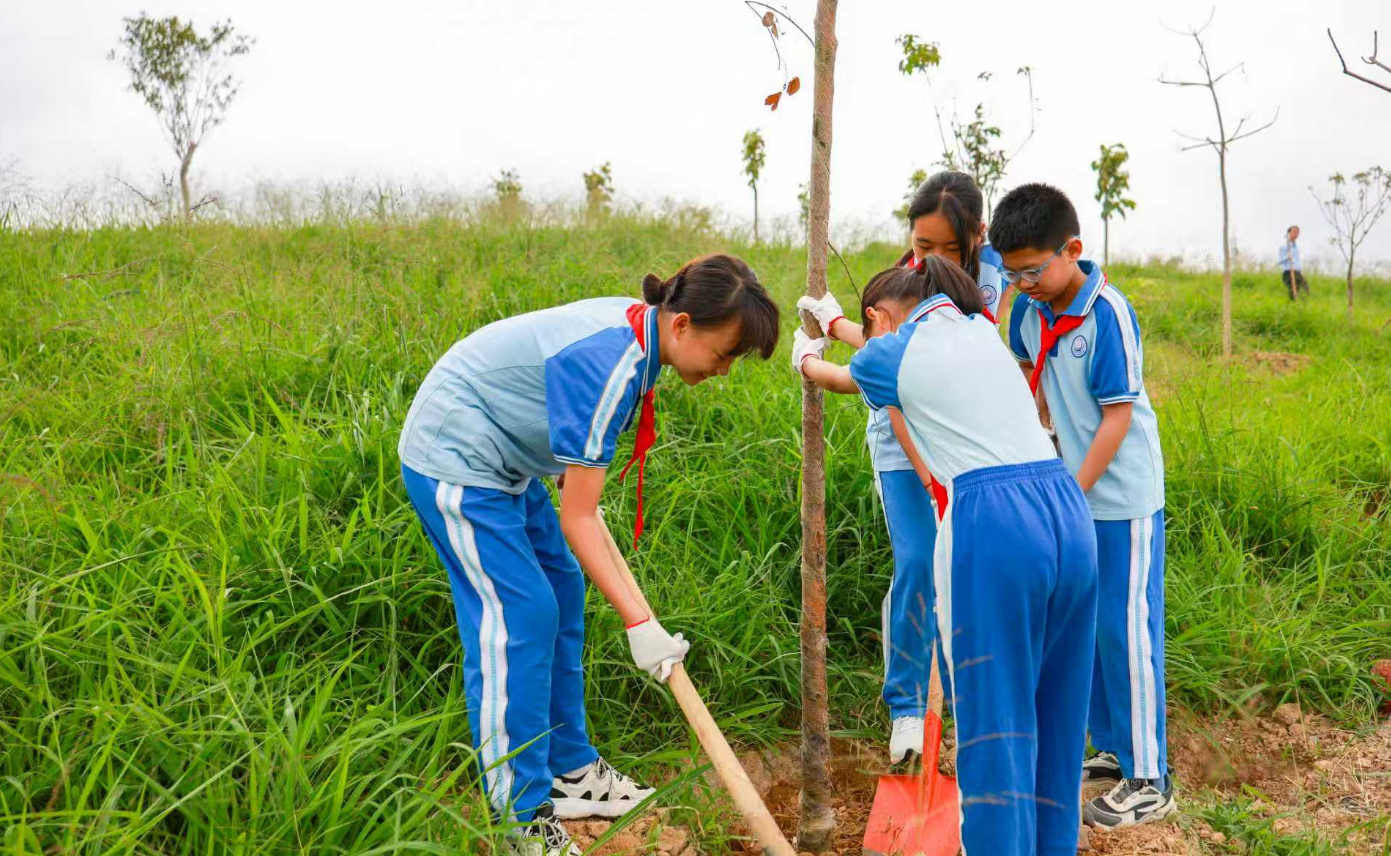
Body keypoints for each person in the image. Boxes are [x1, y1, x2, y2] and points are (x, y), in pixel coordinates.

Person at [397, 254, 779, 855]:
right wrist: (639, 622)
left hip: (510, 464)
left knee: (564, 590)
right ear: (682, 325)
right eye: (726, 353)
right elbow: (579, 515)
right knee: (520, 616)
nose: (726, 370)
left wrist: (636, 613)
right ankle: (516, 813)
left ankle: (569, 770)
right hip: (457, 455)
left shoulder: (644, 338)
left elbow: (580, 491)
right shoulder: (615, 364)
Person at [793, 257, 1098, 856]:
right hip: (1067, 510)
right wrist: (835, 325)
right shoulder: (980, 324)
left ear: (880, 317)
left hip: (996, 526)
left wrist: (805, 357)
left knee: (993, 729)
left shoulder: (889, 353)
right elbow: (889, 348)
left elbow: (853, 373)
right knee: (1056, 723)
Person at [796, 170, 1005, 767]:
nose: (932, 259)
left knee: (963, 562)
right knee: (917, 559)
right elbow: (888, 348)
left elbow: (938, 353)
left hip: (959, 437)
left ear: (977, 236)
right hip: (897, 429)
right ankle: (908, 705)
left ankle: (966, 700)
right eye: (922, 245)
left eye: (947, 248)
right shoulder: (906, 273)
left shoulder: (990, 277)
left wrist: (835, 330)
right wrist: (841, 328)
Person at [992, 183, 1175, 828]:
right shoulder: (1026, 312)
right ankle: (1111, 748)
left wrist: (1071, 492)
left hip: (1119, 499)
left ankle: (1151, 775)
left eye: (1034, 270)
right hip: (1070, 496)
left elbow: (1118, 418)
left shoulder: (1107, 314)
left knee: (1127, 632)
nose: (1024, 284)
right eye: (1012, 274)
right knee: (1087, 631)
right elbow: (1031, 385)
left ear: (1072, 249)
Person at [1279, 225, 1309, 301]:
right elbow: (1280, 261)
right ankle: (1292, 305)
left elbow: (1297, 261)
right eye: (1294, 232)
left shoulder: (1296, 248)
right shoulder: (1284, 246)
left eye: (1297, 232)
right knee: (1293, 290)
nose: (1296, 234)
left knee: (1305, 288)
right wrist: (1287, 257)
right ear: (1289, 233)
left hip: (1297, 272)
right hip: (1288, 272)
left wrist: (1300, 270)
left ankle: (1301, 304)